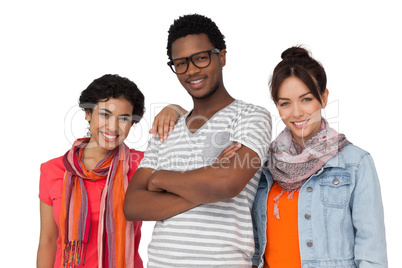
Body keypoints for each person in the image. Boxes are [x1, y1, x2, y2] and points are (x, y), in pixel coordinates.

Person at [123, 14, 272, 267]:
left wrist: (160, 179)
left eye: (200, 58)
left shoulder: (251, 116)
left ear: (221, 57)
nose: (191, 70)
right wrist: (208, 178)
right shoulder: (166, 126)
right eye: (180, 63)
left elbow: (227, 184)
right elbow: (134, 205)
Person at [250, 47, 388, 267]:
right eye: (285, 103)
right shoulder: (265, 165)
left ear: (323, 98)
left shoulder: (355, 164)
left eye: (306, 99)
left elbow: (372, 253)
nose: (296, 113)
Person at [37, 74, 145, 268]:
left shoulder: (141, 165)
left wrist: (176, 112)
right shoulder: (52, 170)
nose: (113, 126)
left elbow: (191, 159)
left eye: (124, 118)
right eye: (105, 114)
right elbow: (48, 240)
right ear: (88, 114)